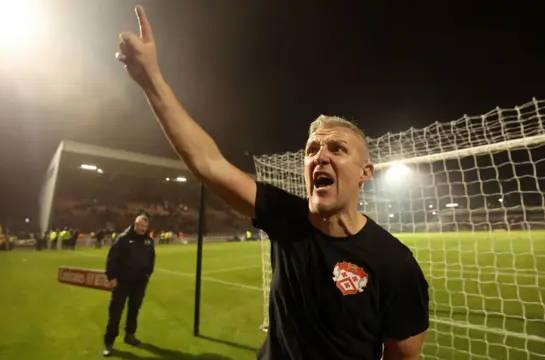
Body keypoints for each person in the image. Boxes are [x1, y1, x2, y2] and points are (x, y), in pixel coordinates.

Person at [115, 6, 429, 360]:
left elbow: (403, 356)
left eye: (337, 148)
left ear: (365, 173)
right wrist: (151, 79)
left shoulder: (396, 263)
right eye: (312, 149)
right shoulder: (286, 216)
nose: (320, 156)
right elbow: (209, 164)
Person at [102, 215, 155, 357]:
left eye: (145, 226)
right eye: (141, 226)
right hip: (122, 281)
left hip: (139, 282)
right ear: (135, 224)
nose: (143, 228)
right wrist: (111, 277)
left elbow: (151, 260)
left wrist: (147, 275)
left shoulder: (148, 241)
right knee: (115, 312)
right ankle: (109, 343)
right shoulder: (123, 239)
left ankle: (130, 335)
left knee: (134, 310)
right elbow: (112, 259)